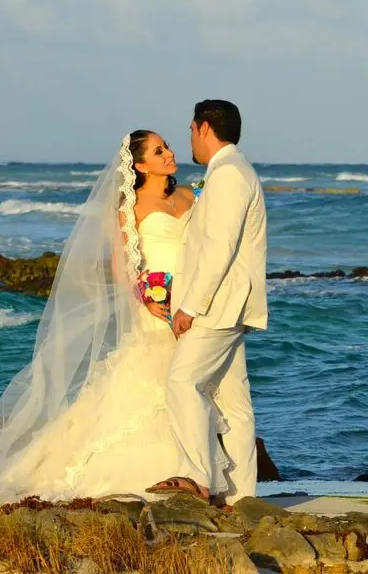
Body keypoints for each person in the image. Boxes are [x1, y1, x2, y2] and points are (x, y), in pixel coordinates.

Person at [0, 123, 241, 503]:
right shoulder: (128, 209)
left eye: (167, 146)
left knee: (189, 387)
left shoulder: (191, 196)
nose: (169, 153)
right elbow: (124, 269)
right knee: (156, 384)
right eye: (157, 151)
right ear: (139, 166)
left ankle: (197, 474)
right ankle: (160, 475)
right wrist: (147, 298)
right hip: (155, 312)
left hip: (193, 306)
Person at [147, 99, 268, 506]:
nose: (189, 141)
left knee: (182, 381)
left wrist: (189, 307)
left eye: (190, 131)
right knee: (234, 399)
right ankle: (240, 495)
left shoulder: (230, 175)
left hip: (218, 305)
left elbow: (219, 249)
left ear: (203, 128)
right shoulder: (230, 170)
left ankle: (197, 476)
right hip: (229, 304)